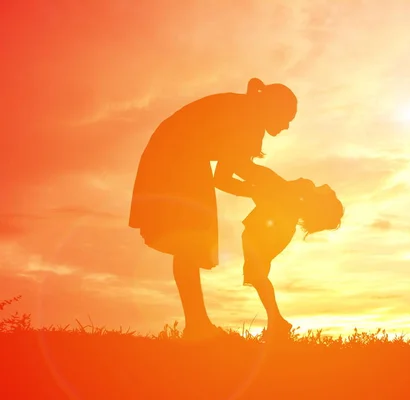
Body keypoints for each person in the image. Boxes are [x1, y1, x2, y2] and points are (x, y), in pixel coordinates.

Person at [128, 78, 309, 340]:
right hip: (174, 158)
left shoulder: (249, 115)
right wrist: (269, 190)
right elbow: (231, 176)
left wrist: (271, 188)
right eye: (287, 117)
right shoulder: (246, 118)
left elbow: (228, 174)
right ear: (273, 108)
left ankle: (197, 325)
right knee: (188, 239)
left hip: (180, 157)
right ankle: (197, 326)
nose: (287, 125)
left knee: (190, 239)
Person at [241, 178, 344, 339]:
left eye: (332, 194)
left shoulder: (306, 188)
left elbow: (276, 195)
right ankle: (276, 321)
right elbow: (275, 194)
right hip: (275, 228)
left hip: (272, 228)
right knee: (258, 275)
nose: (331, 188)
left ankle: (276, 321)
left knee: (257, 275)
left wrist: (254, 188)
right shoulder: (306, 190)